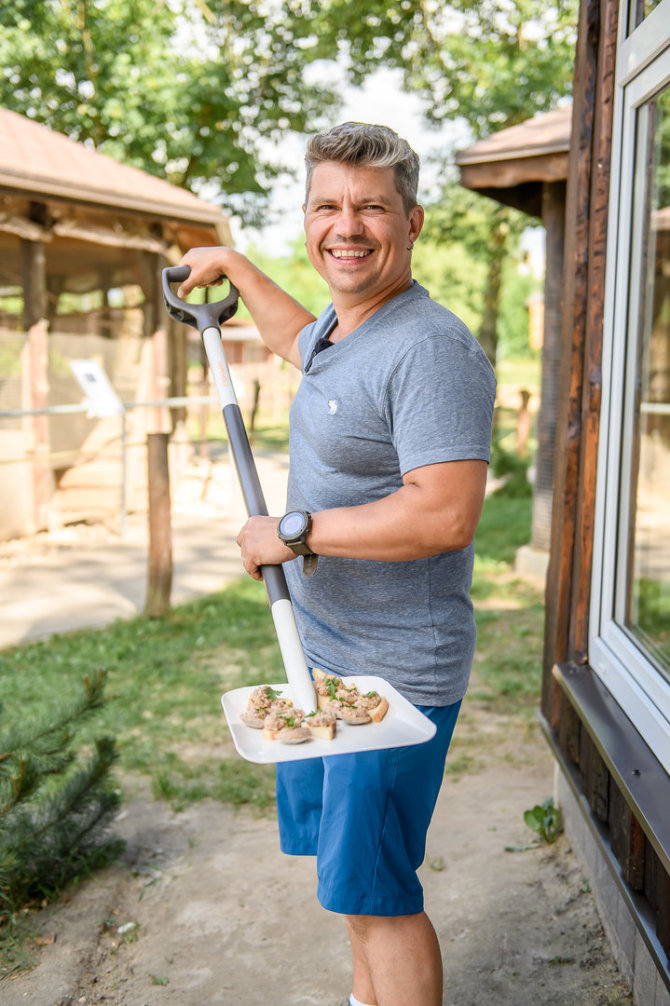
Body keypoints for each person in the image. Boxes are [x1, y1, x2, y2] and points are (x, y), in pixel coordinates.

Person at [177, 121, 496, 1006]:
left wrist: (296, 529)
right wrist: (236, 266)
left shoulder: (427, 348)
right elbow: (291, 340)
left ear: (415, 221)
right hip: (322, 657)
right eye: (328, 206)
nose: (346, 226)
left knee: (381, 897)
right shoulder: (343, 326)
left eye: (371, 209)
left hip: (392, 677)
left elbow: (447, 512)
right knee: (351, 891)